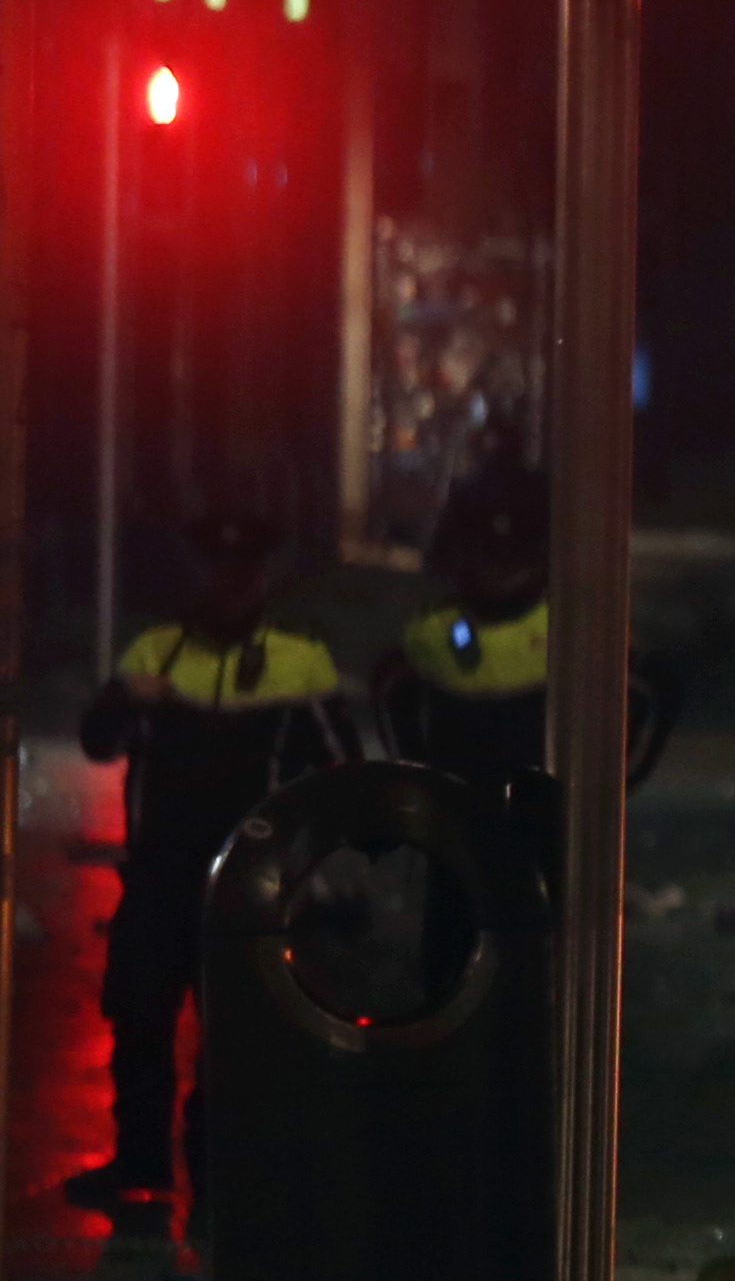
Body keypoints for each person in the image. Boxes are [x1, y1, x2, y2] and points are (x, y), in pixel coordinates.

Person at [67, 511, 355, 1215]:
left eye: (244, 569)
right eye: (215, 567)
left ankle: (217, 1176)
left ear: (264, 578)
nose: (228, 583)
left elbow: (341, 765)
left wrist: (315, 869)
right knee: (137, 1017)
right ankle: (139, 1164)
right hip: (158, 876)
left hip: (248, 886)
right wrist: (122, 697)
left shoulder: (298, 658)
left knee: (234, 1037)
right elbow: (98, 743)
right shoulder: (156, 652)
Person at [375, 464, 668, 791]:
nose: (499, 568)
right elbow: (391, 689)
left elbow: (653, 687)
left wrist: (611, 785)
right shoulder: (436, 634)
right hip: (474, 820)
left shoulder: (574, 630)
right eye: (487, 552)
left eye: (511, 554)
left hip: (534, 820)